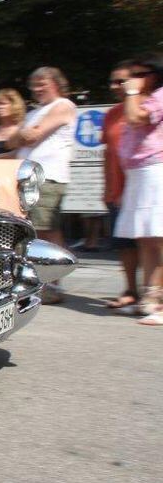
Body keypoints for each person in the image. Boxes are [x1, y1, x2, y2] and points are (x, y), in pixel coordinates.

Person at [11, 66, 78, 304]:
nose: (36, 89)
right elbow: (16, 139)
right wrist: (22, 134)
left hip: (49, 176)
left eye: (42, 83)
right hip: (30, 177)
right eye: (34, 84)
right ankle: (39, 281)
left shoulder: (63, 105)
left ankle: (54, 284)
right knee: (33, 230)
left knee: (48, 229)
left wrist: (22, 134)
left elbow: (30, 137)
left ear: (57, 84)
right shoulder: (34, 113)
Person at [116, 53, 163, 326]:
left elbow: (136, 120)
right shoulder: (141, 98)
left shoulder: (158, 97)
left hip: (155, 169)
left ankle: (158, 300)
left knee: (158, 237)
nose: (130, 80)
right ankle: (148, 298)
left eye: (138, 74)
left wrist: (132, 92)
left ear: (154, 75)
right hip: (138, 173)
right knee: (145, 237)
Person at [102, 61, 140, 312]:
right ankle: (131, 290)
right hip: (119, 187)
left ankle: (154, 293)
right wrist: (108, 187)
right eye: (112, 81)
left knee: (153, 242)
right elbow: (107, 153)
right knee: (125, 243)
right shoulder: (112, 114)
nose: (115, 86)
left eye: (121, 81)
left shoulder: (148, 108)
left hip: (145, 185)